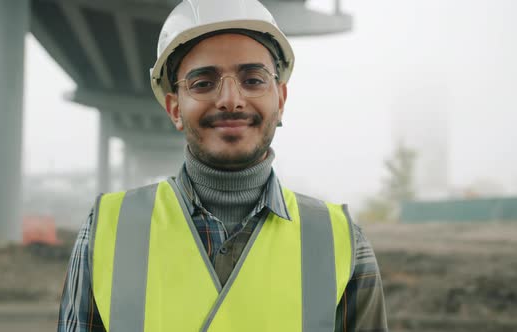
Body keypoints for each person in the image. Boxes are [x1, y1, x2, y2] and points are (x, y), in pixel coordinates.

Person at [58, 0, 388, 331]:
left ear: (281, 99)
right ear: (174, 108)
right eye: (203, 83)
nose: (230, 99)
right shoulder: (106, 232)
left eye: (253, 80)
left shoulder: (340, 242)